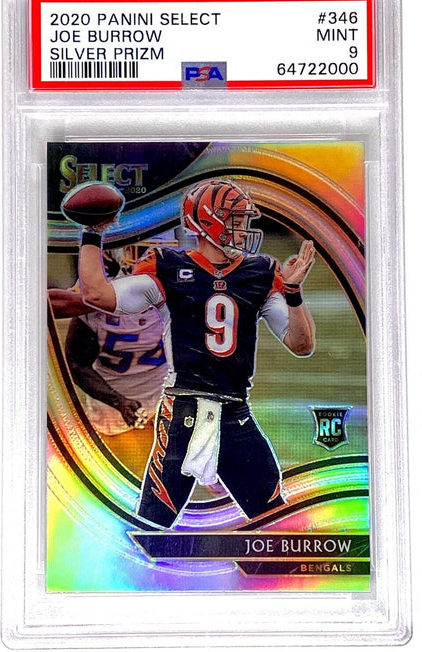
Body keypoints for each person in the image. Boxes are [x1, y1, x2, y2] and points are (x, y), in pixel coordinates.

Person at [76, 179, 315, 528]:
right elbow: (96, 294)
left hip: (235, 412)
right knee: (152, 527)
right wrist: (91, 233)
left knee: (276, 521)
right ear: (209, 221)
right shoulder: (168, 266)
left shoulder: (260, 272)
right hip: (183, 410)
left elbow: (301, 344)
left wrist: (292, 292)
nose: (243, 228)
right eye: (235, 219)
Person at [48, 249, 169, 476]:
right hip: (113, 418)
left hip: (163, 405)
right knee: (122, 480)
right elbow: (77, 365)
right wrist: (101, 300)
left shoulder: (180, 288)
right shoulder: (103, 292)